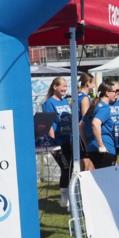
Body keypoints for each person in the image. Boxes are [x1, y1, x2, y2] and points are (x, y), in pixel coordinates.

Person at [42, 76, 74, 206]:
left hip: (69, 140)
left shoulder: (65, 101)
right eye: (62, 86)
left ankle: (70, 196)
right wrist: (54, 143)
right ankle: (64, 198)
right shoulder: (49, 103)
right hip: (58, 142)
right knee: (65, 168)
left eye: (66, 86)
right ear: (55, 87)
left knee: (71, 168)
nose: (65, 89)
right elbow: (48, 125)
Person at [83, 82, 119, 169]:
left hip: (92, 148)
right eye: (115, 91)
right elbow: (95, 123)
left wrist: (86, 144)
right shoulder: (104, 107)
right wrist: (101, 145)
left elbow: (81, 125)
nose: (117, 93)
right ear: (107, 93)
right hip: (105, 148)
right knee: (108, 180)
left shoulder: (93, 106)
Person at [75, 72, 95, 171]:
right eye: (93, 83)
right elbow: (85, 120)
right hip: (83, 135)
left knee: (83, 165)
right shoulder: (84, 98)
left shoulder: (76, 96)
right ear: (88, 83)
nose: (94, 86)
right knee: (88, 165)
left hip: (76, 135)